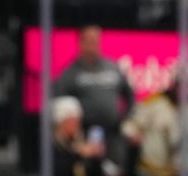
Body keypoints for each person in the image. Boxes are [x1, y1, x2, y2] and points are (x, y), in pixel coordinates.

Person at [54, 25, 134, 167]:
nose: (92, 46)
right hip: (84, 134)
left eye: (96, 41)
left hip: (112, 133)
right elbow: (58, 105)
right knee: (90, 173)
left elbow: (129, 94)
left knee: (115, 174)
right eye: (89, 41)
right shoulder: (70, 73)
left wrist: (125, 117)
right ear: (81, 43)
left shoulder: (112, 67)